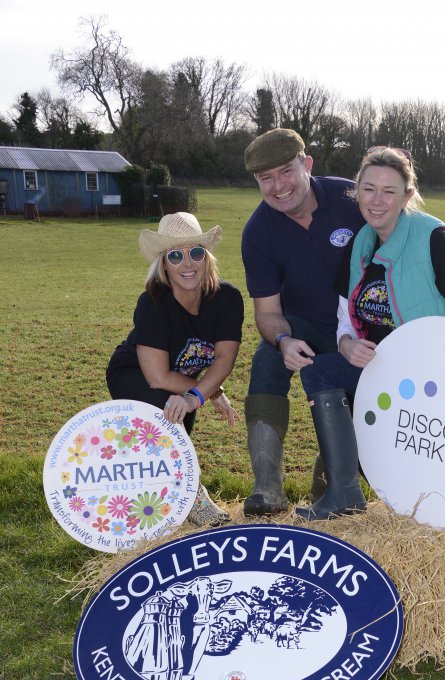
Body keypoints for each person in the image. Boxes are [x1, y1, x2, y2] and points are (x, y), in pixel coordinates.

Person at [297, 146, 445, 520]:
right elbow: (343, 318)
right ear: (357, 190)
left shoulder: (432, 238)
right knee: (319, 371)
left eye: (389, 191)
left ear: (408, 195)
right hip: (382, 366)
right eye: (369, 189)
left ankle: (372, 490)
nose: (377, 201)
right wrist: (347, 344)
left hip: (429, 374)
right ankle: (343, 494)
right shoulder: (359, 243)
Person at [241, 128, 365, 515]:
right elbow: (268, 313)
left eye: (285, 172)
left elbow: (403, 227)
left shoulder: (351, 198)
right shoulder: (258, 232)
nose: (278, 186)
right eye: (266, 178)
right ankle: (267, 490)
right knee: (266, 360)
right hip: (304, 325)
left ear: (306, 165)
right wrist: (283, 342)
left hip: (366, 325)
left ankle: (328, 491)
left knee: (363, 401)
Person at [106, 212, 244, 527]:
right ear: (164, 264)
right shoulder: (153, 302)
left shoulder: (228, 299)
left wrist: (202, 393)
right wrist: (200, 394)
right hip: (133, 373)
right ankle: (194, 498)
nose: (187, 263)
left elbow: (224, 359)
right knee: (166, 412)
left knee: (178, 420)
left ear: (206, 258)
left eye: (195, 252)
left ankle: (165, 497)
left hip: (180, 380)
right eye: (175, 255)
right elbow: (156, 377)